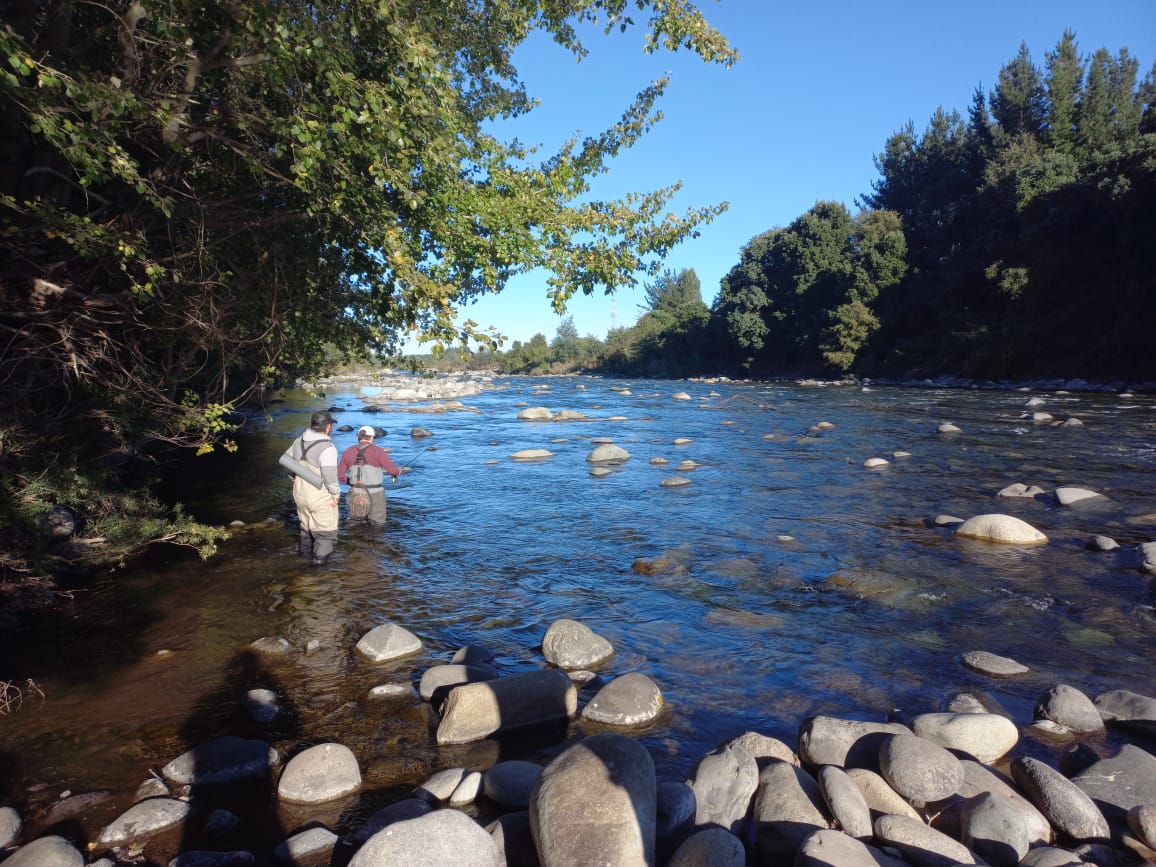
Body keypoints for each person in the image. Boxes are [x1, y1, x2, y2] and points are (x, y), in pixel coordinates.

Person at [287, 410, 341, 565]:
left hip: (300, 493)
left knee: (306, 529)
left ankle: (303, 563)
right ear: (328, 426)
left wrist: (293, 479)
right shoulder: (327, 447)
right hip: (319, 496)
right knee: (325, 534)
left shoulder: (298, 441)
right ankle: (318, 573)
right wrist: (336, 495)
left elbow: (286, 462)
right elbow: (330, 476)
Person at [338, 425, 401, 527]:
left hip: (355, 493)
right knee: (378, 525)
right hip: (375, 494)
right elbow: (393, 470)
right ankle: (375, 542)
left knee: (355, 524)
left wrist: (351, 482)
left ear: (358, 437)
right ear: (371, 437)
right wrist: (397, 472)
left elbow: (340, 476)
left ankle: (355, 542)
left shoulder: (348, 451)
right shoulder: (378, 451)